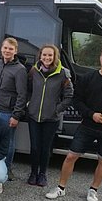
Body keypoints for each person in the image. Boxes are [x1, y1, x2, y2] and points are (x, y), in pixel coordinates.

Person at [46, 45, 102, 201]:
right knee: (71, 156)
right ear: (100, 58)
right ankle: (61, 188)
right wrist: (92, 115)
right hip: (87, 125)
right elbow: (77, 101)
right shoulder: (88, 78)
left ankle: (93, 190)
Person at [26, 44, 73, 186]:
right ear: (40, 55)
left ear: (54, 57)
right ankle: (33, 173)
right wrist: (29, 103)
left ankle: (42, 174)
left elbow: (69, 95)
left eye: (50, 55)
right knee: (34, 147)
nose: (47, 58)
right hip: (34, 116)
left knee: (46, 148)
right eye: (44, 55)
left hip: (51, 118)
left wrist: (57, 109)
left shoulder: (63, 73)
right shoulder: (34, 71)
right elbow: (28, 89)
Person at [0, 37, 27, 180]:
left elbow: (22, 94)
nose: (7, 51)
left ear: (15, 51)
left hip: (8, 111)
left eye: (10, 49)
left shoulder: (20, 70)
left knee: (9, 141)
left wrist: (16, 115)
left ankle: (7, 168)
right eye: (5, 48)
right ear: (1, 48)